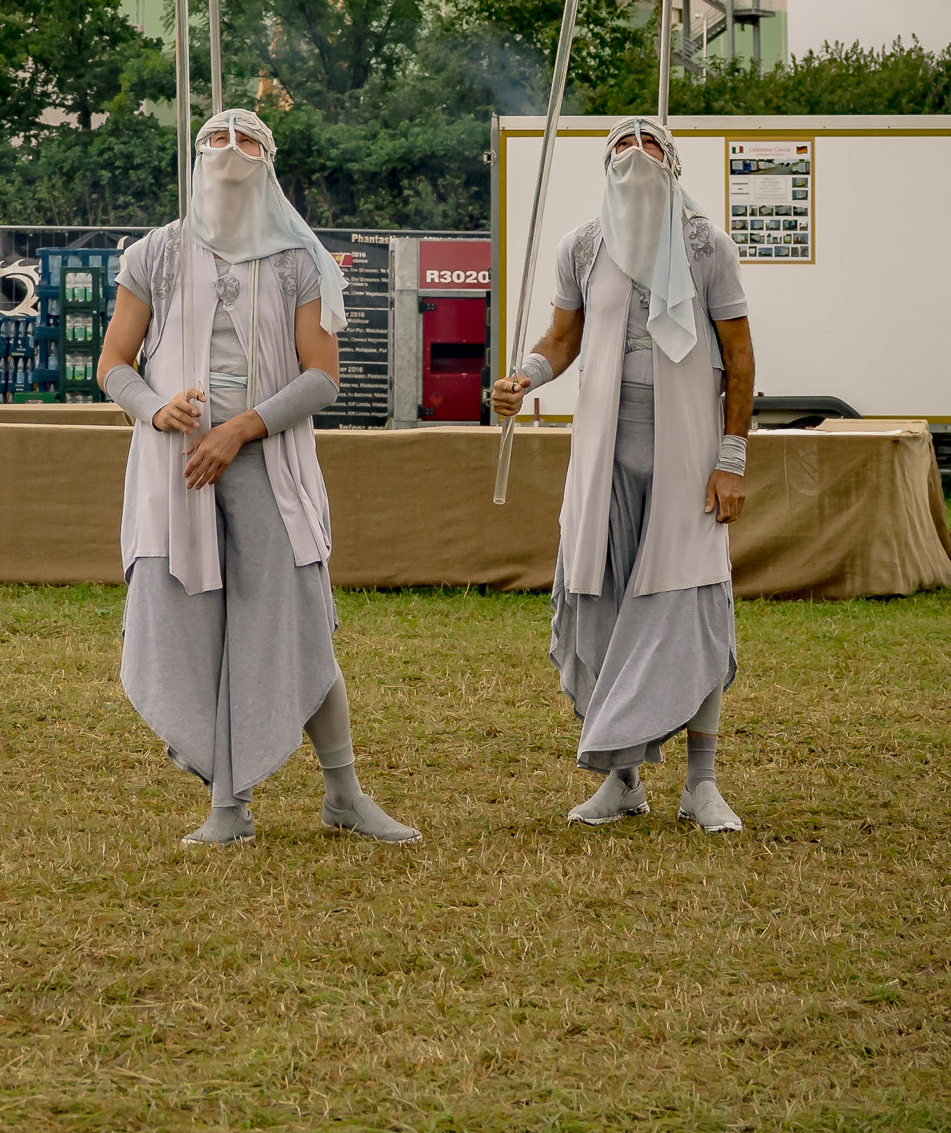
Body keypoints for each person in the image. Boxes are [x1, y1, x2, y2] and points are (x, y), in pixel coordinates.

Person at [97, 108, 419, 846]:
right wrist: (157, 409)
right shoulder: (156, 254)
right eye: (217, 137)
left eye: (248, 141)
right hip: (177, 473)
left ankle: (344, 793)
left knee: (295, 628)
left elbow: (321, 378)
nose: (231, 150)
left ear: (269, 163)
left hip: (267, 466)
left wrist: (241, 428)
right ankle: (227, 808)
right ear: (196, 154)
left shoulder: (298, 258)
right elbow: (114, 364)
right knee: (192, 633)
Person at [492, 116, 754, 832]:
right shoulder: (582, 246)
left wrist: (731, 460)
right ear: (604, 166)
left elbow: (740, 357)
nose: (636, 155)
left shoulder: (706, 246)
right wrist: (526, 376)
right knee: (600, 599)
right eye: (621, 148)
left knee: (688, 605)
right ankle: (624, 779)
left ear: (674, 165)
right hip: (604, 457)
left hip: (688, 458)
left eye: (652, 146)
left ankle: (702, 784)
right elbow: (563, 338)